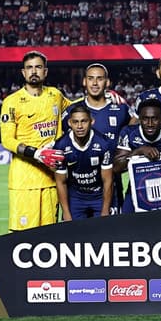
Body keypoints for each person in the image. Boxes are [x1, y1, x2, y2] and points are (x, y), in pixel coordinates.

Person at [0, 50, 69, 230]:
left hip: (51, 180)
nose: (34, 71)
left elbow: (77, 108)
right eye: (29, 68)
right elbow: (7, 140)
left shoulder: (55, 95)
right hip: (24, 182)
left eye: (38, 67)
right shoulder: (11, 102)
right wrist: (36, 153)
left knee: (49, 235)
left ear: (45, 71)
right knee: (22, 237)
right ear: (23, 73)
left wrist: (106, 96)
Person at [61, 63, 136, 214]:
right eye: (90, 78)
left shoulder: (121, 109)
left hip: (111, 184)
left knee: (109, 233)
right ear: (84, 81)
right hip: (78, 189)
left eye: (99, 79)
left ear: (107, 83)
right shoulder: (71, 112)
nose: (95, 83)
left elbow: (136, 128)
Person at [114, 99, 161, 213]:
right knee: (127, 225)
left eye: (154, 119)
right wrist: (139, 151)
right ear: (139, 119)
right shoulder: (129, 133)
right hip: (137, 189)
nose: (150, 124)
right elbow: (116, 167)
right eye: (145, 119)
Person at [53, 104, 114, 221]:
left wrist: (105, 210)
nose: (79, 126)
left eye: (84, 121)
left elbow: (108, 180)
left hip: (99, 195)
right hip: (76, 197)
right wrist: (66, 213)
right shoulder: (61, 146)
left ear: (92, 121)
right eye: (75, 122)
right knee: (75, 235)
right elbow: (61, 182)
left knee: (103, 233)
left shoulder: (104, 143)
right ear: (70, 123)